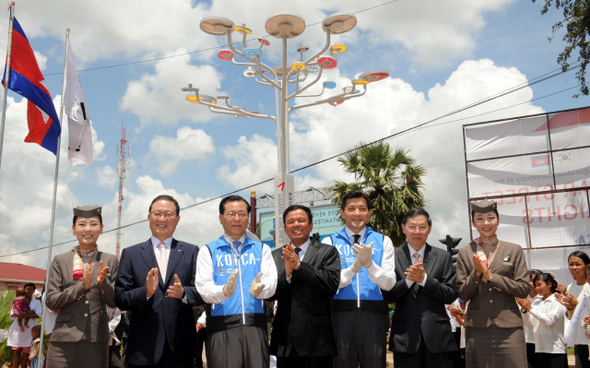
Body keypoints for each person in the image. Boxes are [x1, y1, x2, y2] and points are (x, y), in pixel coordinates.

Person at [115, 194, 203, 368]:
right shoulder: (131, 254)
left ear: (177, 219)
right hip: (143, 350)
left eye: (168, 214)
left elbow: (202, 292)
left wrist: (184, 293)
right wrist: (145, 293)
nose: (162, 219)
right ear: (149, 217)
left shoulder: (191, 251)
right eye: (157, 214)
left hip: (180, 348)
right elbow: (120, 298)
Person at [195, 195, 277, 368]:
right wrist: (223, 291)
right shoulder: (208, 251)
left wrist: (260, 290)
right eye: (231, 214)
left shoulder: (262, 249)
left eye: (242, 214)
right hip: (222, 327)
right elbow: (203, 288)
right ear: (221, 218)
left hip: (256, 325)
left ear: (248, 217)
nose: (237, 219)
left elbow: (271, 282)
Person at [322, 190, 395, 368]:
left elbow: (389, 283)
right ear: (342, 213)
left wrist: (370, 264)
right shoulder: (329, 242)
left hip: (373, 317)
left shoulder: (383, 241)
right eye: (351, 208)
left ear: (369, 213)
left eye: (362, 209)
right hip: (340, 317)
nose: (357, 214)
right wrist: (355, 267)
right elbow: (330, 283)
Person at [456, 199, 530, 368]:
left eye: (491, 218)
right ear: (473, 223)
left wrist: (491, 277)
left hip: (510, 327)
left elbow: (524, 288)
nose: (486, 223)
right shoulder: (465, 253)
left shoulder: (513, 250)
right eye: (480, 219)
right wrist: (477, 272)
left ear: (498, 220)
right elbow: (462, 293)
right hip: (477, 327)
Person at [44, 205, 119, 368]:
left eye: (93, 224)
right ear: (73, 229)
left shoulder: (109, 260)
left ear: (101, 228)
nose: (88, 229)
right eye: (82, 224)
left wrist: (102, 283)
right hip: (63, 342)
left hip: (96, 341)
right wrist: (81, 287)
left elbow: (114, 302)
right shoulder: (60, 260)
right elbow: (50, 300)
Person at [383, 208, 458, 368]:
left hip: (438, 337)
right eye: (412, 226)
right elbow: (388, 296)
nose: (417, 231)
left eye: (422, 227)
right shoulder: (392, 256)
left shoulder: (443, 257)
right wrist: (409, 281)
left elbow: (450, 294)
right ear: (403, 228)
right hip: (405, 337)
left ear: (429, 229)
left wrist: (424, 280)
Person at [269, 205, 341, 368]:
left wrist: (299, 266)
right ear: (285, 229)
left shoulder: (327, 252)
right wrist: (286, 275)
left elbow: (331, 284)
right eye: (291, 222)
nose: (296, 224)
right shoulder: (275, 256)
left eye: (301, 220)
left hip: (317, 340)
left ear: (310, 226)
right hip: (285, 340)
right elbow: (270, 294)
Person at [517, 273, 567, 368]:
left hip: (555, 350)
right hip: (540, 348)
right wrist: (524, 310)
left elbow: (550, 321)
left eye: (539, 284)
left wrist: (530, 309)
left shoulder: (557, 300)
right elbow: (530, 324)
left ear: (549, 284)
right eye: (536, 286)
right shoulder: (537, 302)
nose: (537, 288)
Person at [554, 251, 590, 368]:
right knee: (574, 366)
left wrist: (577, 304)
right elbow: (571, 317)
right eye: (571, 264)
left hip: (588, 339)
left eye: (578, 264)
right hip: (575, 340)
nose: (574, 267)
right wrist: (569, 307)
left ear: (587, 266)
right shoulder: (570, 287)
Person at [7, 282, 41, 368]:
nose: (29, 291)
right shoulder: (18, 300)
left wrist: (24, 315)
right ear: (24, 290)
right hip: (18, 330)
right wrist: (24, 314)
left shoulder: (36, 302)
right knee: (17, 351)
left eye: (31, 289)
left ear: (34, 291)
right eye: (27, 289)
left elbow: (38, 315)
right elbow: (12, 314)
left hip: (29, 330)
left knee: (26, 352)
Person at [523, 270, 543, 368]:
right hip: (526, 340)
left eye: (534, 280)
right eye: (528, 280)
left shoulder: (544, 298)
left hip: (541, 341)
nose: (531, 283)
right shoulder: (521, 298)